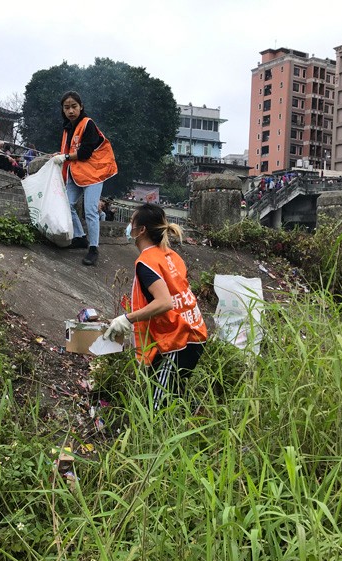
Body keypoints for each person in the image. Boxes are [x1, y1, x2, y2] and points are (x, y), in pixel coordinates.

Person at [103, 203, 207, 409]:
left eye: (132, 222)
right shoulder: (170, 255)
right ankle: (197, 422)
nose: (128, 227)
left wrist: (127, 319)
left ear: (141, 230)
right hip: (193, 331)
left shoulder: (146, 262)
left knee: (157, 408)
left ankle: (165, 436)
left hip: (179, 340)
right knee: (172, 393)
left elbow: (164, 302)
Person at [52, 91, 118, 266]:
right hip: (77, 173)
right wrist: (61, 155)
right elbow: (70, 152)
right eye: (67, 107)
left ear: (81, 107)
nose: (71, 110)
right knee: (67, 204)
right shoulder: (67, 128)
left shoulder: (88, 124)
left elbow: (85, 152)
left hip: (94, 173)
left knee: (90, 210)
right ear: (63, 110)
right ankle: (80, 237)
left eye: (74, 106)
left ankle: (93, 248)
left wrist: (65, 158)